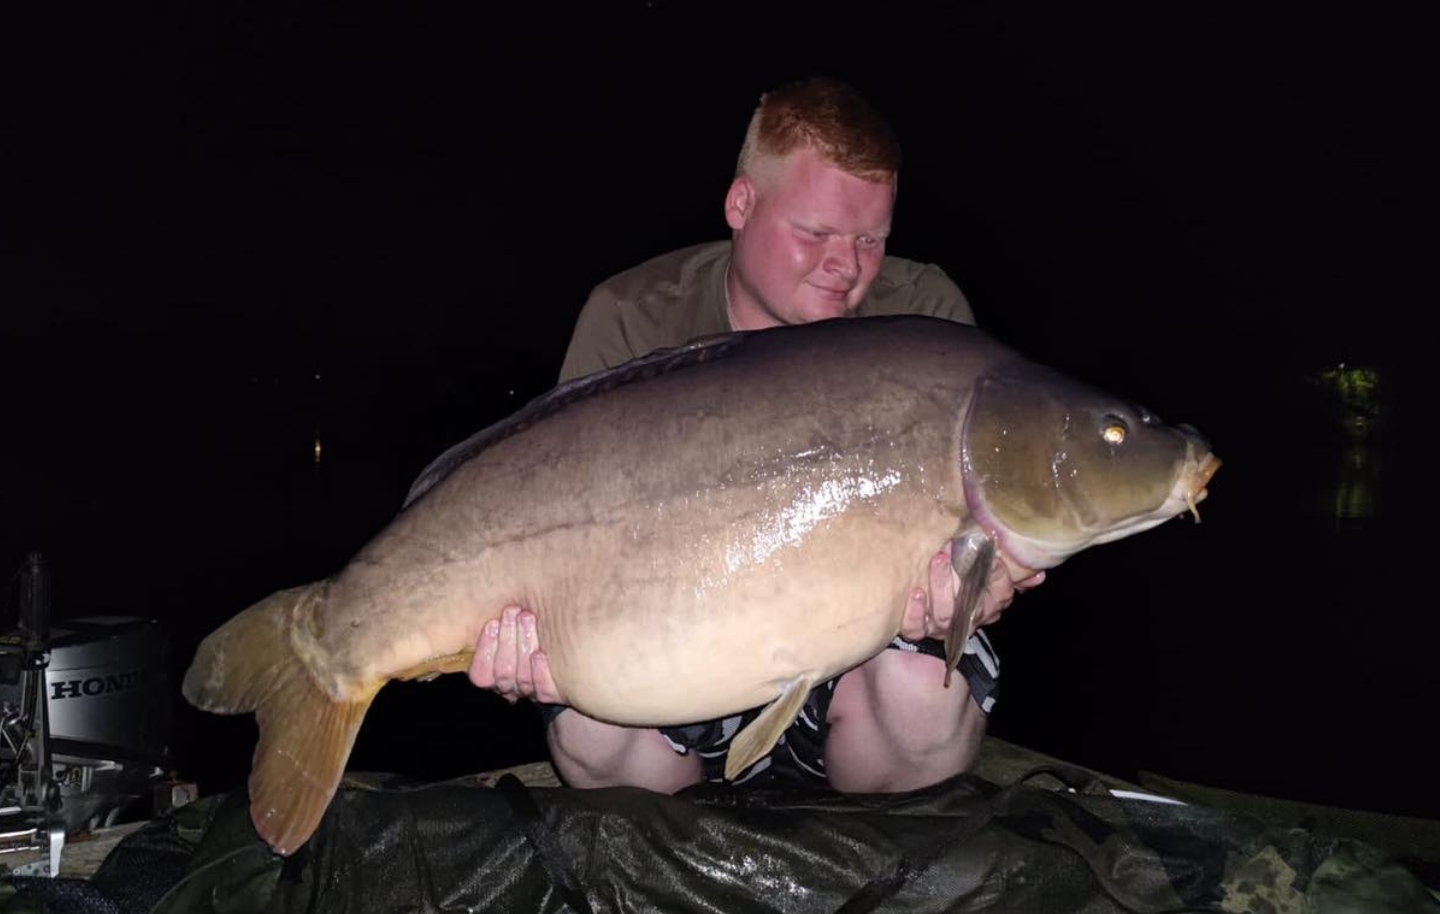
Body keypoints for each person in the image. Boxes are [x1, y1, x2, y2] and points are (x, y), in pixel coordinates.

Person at [471, 76, 1042, 794]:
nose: (848, 265)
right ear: (741, 205)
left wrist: (972, 589)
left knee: (924, 704)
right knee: (590, 733)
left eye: (872, 238)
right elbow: (551, 528)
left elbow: (973, 530)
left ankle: (852, 865)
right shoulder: (633, 319)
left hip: (849, 674)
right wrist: (531, 639)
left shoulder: (923, 322)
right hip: (672, 667)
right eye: (816, 233)